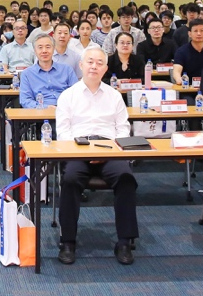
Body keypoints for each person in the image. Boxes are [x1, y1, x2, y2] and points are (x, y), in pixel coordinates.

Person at [54, 46, 139, 266]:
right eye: (90, 62)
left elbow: (123, 129)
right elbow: (63, 132)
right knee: (70, 179)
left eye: (99, 63)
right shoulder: (68, 96)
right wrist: (83, 151)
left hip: (109, 151)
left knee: (126, 178)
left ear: (105, 69)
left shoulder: (114, 96)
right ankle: (67, 241)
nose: (94, 66)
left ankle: (124, 241)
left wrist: (108, 149)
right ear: (81, 65)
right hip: (78, 150)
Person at [20, 35, 77, 108]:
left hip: (66, 109)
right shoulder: (27, 74)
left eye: (48, 47)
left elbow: (76, 94)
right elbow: (25, 100)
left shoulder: (67, 70)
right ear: (35, 50)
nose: (44, 51)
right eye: (40, 47)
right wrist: (45, 107)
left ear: (54, 49)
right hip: (40, 111)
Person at [172, 20, 203, 85]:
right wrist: (178, 79)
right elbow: (177, 71)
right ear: (189, 34)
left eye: (202, 31)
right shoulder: (181, 51)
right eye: (195, 31)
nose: (199, 34)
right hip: (188, 87)